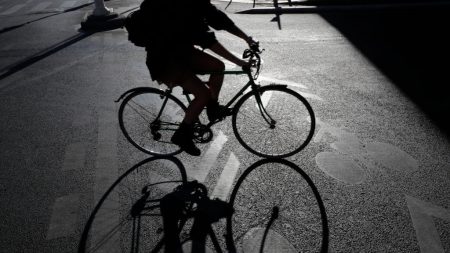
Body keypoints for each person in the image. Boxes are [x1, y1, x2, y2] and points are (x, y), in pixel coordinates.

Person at [140, 0, 257, 156]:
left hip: (182, 51)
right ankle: (182, 135)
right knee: (203, 94)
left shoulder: (198, 2)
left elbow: (220, 19)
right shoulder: (184, 5)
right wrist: (239, 62)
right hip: (165, 59)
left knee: (218, 66)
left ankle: (212, 108)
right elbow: (207, 40)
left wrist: (247, 38)